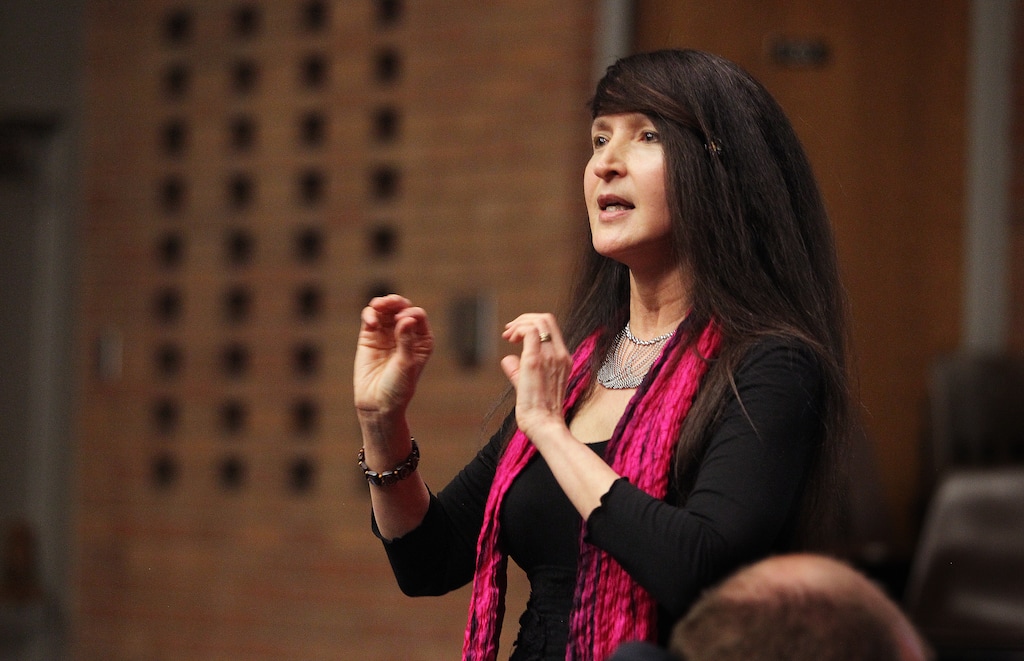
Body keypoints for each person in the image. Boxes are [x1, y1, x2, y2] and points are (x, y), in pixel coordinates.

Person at [353, 49, 855, 660]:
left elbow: (698, 569)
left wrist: (550, 433)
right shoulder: (578, 373)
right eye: (599, 139)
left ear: (718, 168)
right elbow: (429, 561)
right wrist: (382, 424)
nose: (605, 164)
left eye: (646, 136)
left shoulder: (771, 366)